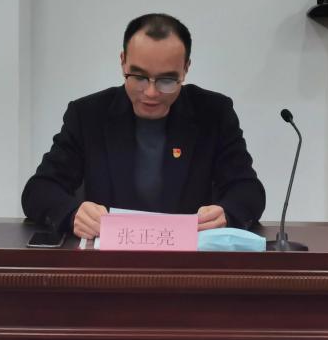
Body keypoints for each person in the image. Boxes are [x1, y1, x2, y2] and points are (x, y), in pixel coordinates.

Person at [22, 13, 266, 239]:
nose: (151, 92)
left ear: (185, 68)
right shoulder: (88, 115)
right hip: (108, 259)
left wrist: (226, 214)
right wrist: (72, 214)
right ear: (123, 62)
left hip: (188, 259)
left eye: (167, 80)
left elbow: (248, 190)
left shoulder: (213, 113)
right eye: (138, 77)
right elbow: (39, 190)